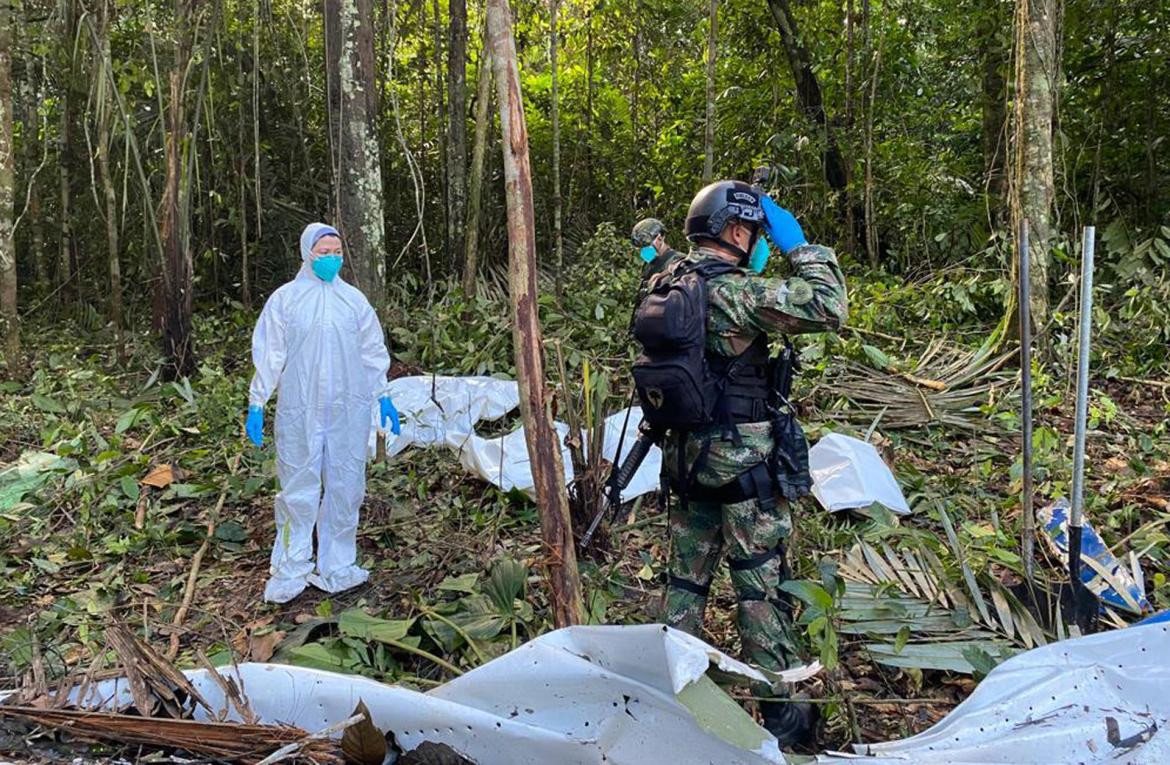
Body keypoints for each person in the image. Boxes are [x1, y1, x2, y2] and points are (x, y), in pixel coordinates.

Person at [645, 181, 847, 748]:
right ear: (736, 232)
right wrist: (800, 247)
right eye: (755, 232)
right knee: (760, 588)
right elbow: (829, 306)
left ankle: (671, 697)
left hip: (685, 462)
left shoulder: (667, 281)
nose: (759, 242)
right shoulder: (735, 291)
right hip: (742, 469)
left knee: (685, 583)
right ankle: (784, 722)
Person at [244, 222, 401, 604]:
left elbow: (372, 351)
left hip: (350, 409)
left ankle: (338, 564)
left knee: (346, 485)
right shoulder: (286, 300)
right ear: (306, 253)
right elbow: (270, 353)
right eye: (323, 251)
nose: (331, 258)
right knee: (298, 487)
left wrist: (383, 396)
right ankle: (291, 565)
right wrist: (257, 401)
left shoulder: (354, 301)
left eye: (336, 252)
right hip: (301, 410)